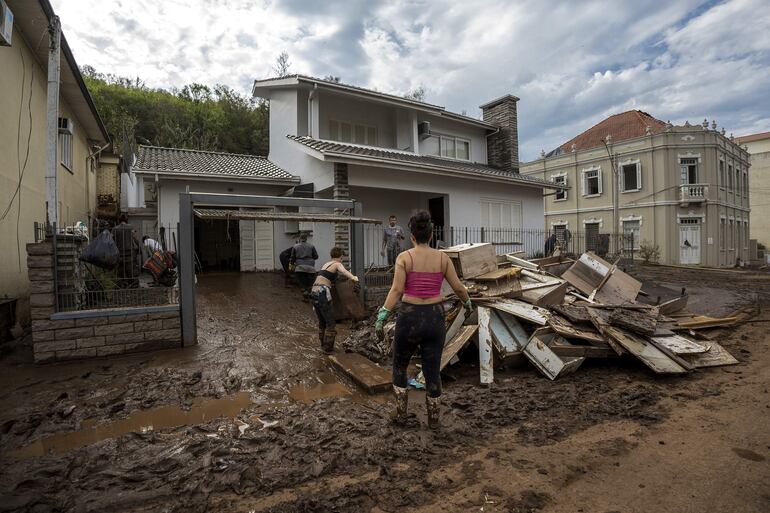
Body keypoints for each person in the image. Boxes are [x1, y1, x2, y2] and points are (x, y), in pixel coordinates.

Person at [375, 211, 473, 429]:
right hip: (434, 317)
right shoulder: (442, 258)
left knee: (400, 365)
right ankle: (434, 420)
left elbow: (396, 290)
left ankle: (401, 414)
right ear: (430, 236)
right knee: (432, 368)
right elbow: (458, 287)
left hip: (409, 317)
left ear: (411, 236)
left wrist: (383, 314)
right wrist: (467, 303)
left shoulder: (404, 258)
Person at [311, 247, 359, 353]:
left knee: (322, 321)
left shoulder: (326, 264)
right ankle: (328, 349)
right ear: (340, 256)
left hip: (314, 292)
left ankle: (323, 345)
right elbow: (344, 271)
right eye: (342, 258)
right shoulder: (337, 264)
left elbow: (327, 277)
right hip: (322, 292)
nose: (342, 260)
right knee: (330, 322)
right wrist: (353, 278)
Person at [112, 215, 140, 288]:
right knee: (131, 271)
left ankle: (122, 285)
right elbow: (135, 238)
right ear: (126, 220)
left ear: (119, 220)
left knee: (120, 272)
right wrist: (139, 247)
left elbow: (112, 241)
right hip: (130, 253)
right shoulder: (130, 227)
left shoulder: (115, 229)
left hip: (119, 254)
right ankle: (132, 285)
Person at [290, 233, 318, 300]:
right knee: (309, 283)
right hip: (310, 268)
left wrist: (291, 266)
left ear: (300, 238)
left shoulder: (295, 246)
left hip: (300, 268)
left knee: (302, 282)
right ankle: (308, 293)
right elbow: (316, 256)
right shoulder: (311, 246)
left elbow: (292, 258)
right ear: (306, 239)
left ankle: (305, 291)